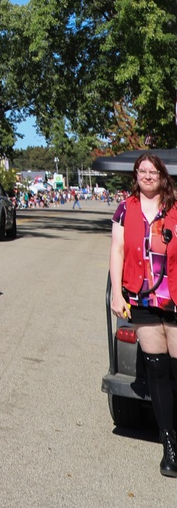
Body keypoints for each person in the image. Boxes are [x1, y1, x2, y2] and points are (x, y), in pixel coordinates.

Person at [110, 151, 177, 476]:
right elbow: (118, 250)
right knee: (158, 371)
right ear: (136, 176)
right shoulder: (126, 209)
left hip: (174, 297)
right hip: (141, 296)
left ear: (162, 176)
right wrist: (116, 291)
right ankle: (169, 445)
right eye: (142, 171)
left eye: (153, 171)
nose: (148, 176)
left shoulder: (176, 208)